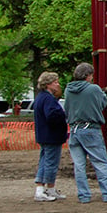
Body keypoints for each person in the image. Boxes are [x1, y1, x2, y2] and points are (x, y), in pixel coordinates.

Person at [65, 62, 107, 203]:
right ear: (88, 76)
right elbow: (103, 103)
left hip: (74, 130)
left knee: (79, 165)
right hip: (90, 129)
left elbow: (67, 108)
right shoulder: (93, 89)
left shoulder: (68, 90)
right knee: (101, 162)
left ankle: (84, 195)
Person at [32, 71, 68, 202]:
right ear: (48, 84)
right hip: (51, 135)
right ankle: (44, 190)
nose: (58, 85)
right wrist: (63, 116)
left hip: (44, 135)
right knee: (51, 163)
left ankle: (45, 189)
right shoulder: (48, 99)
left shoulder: (41, 97)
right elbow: (52, 116)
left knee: (44, 161)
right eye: (55, 82)